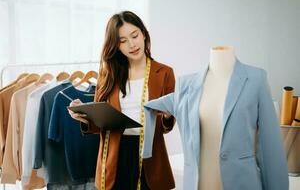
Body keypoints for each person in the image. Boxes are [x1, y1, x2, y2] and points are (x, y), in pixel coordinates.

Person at [143, 46, 289, 190]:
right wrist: (147, 150)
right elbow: (149, 106)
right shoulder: (186, 84)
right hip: (198, 185)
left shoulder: (256, 79)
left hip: (243, 182)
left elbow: (270, 147)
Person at [68, 11, 175, 190]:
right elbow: (101, 122)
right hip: (115, 156)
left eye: (134, 35)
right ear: (115, 46)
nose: (132, 44)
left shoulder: (164, 73)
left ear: (144, 34)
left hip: (150, 156)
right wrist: (84, 115)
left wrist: (167, 115)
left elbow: (167, 126)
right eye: (122, 41)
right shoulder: (108, 75)